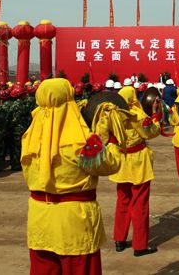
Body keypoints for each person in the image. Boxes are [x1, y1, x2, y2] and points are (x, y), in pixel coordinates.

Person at [21, 78, 120, 274]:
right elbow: (109, 164)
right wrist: (112, 140)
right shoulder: (78, 140)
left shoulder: (30, 137)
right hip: (74, 220)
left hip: (40, 218)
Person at [107, 84, 162, 256]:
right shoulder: (137, 114)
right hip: (138, 162)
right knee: (140, 204)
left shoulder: (112, 115)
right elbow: (150, 133)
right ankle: (140, 245)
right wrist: (155, 116)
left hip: (121, 161)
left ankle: (119, 240)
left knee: (122, 201)